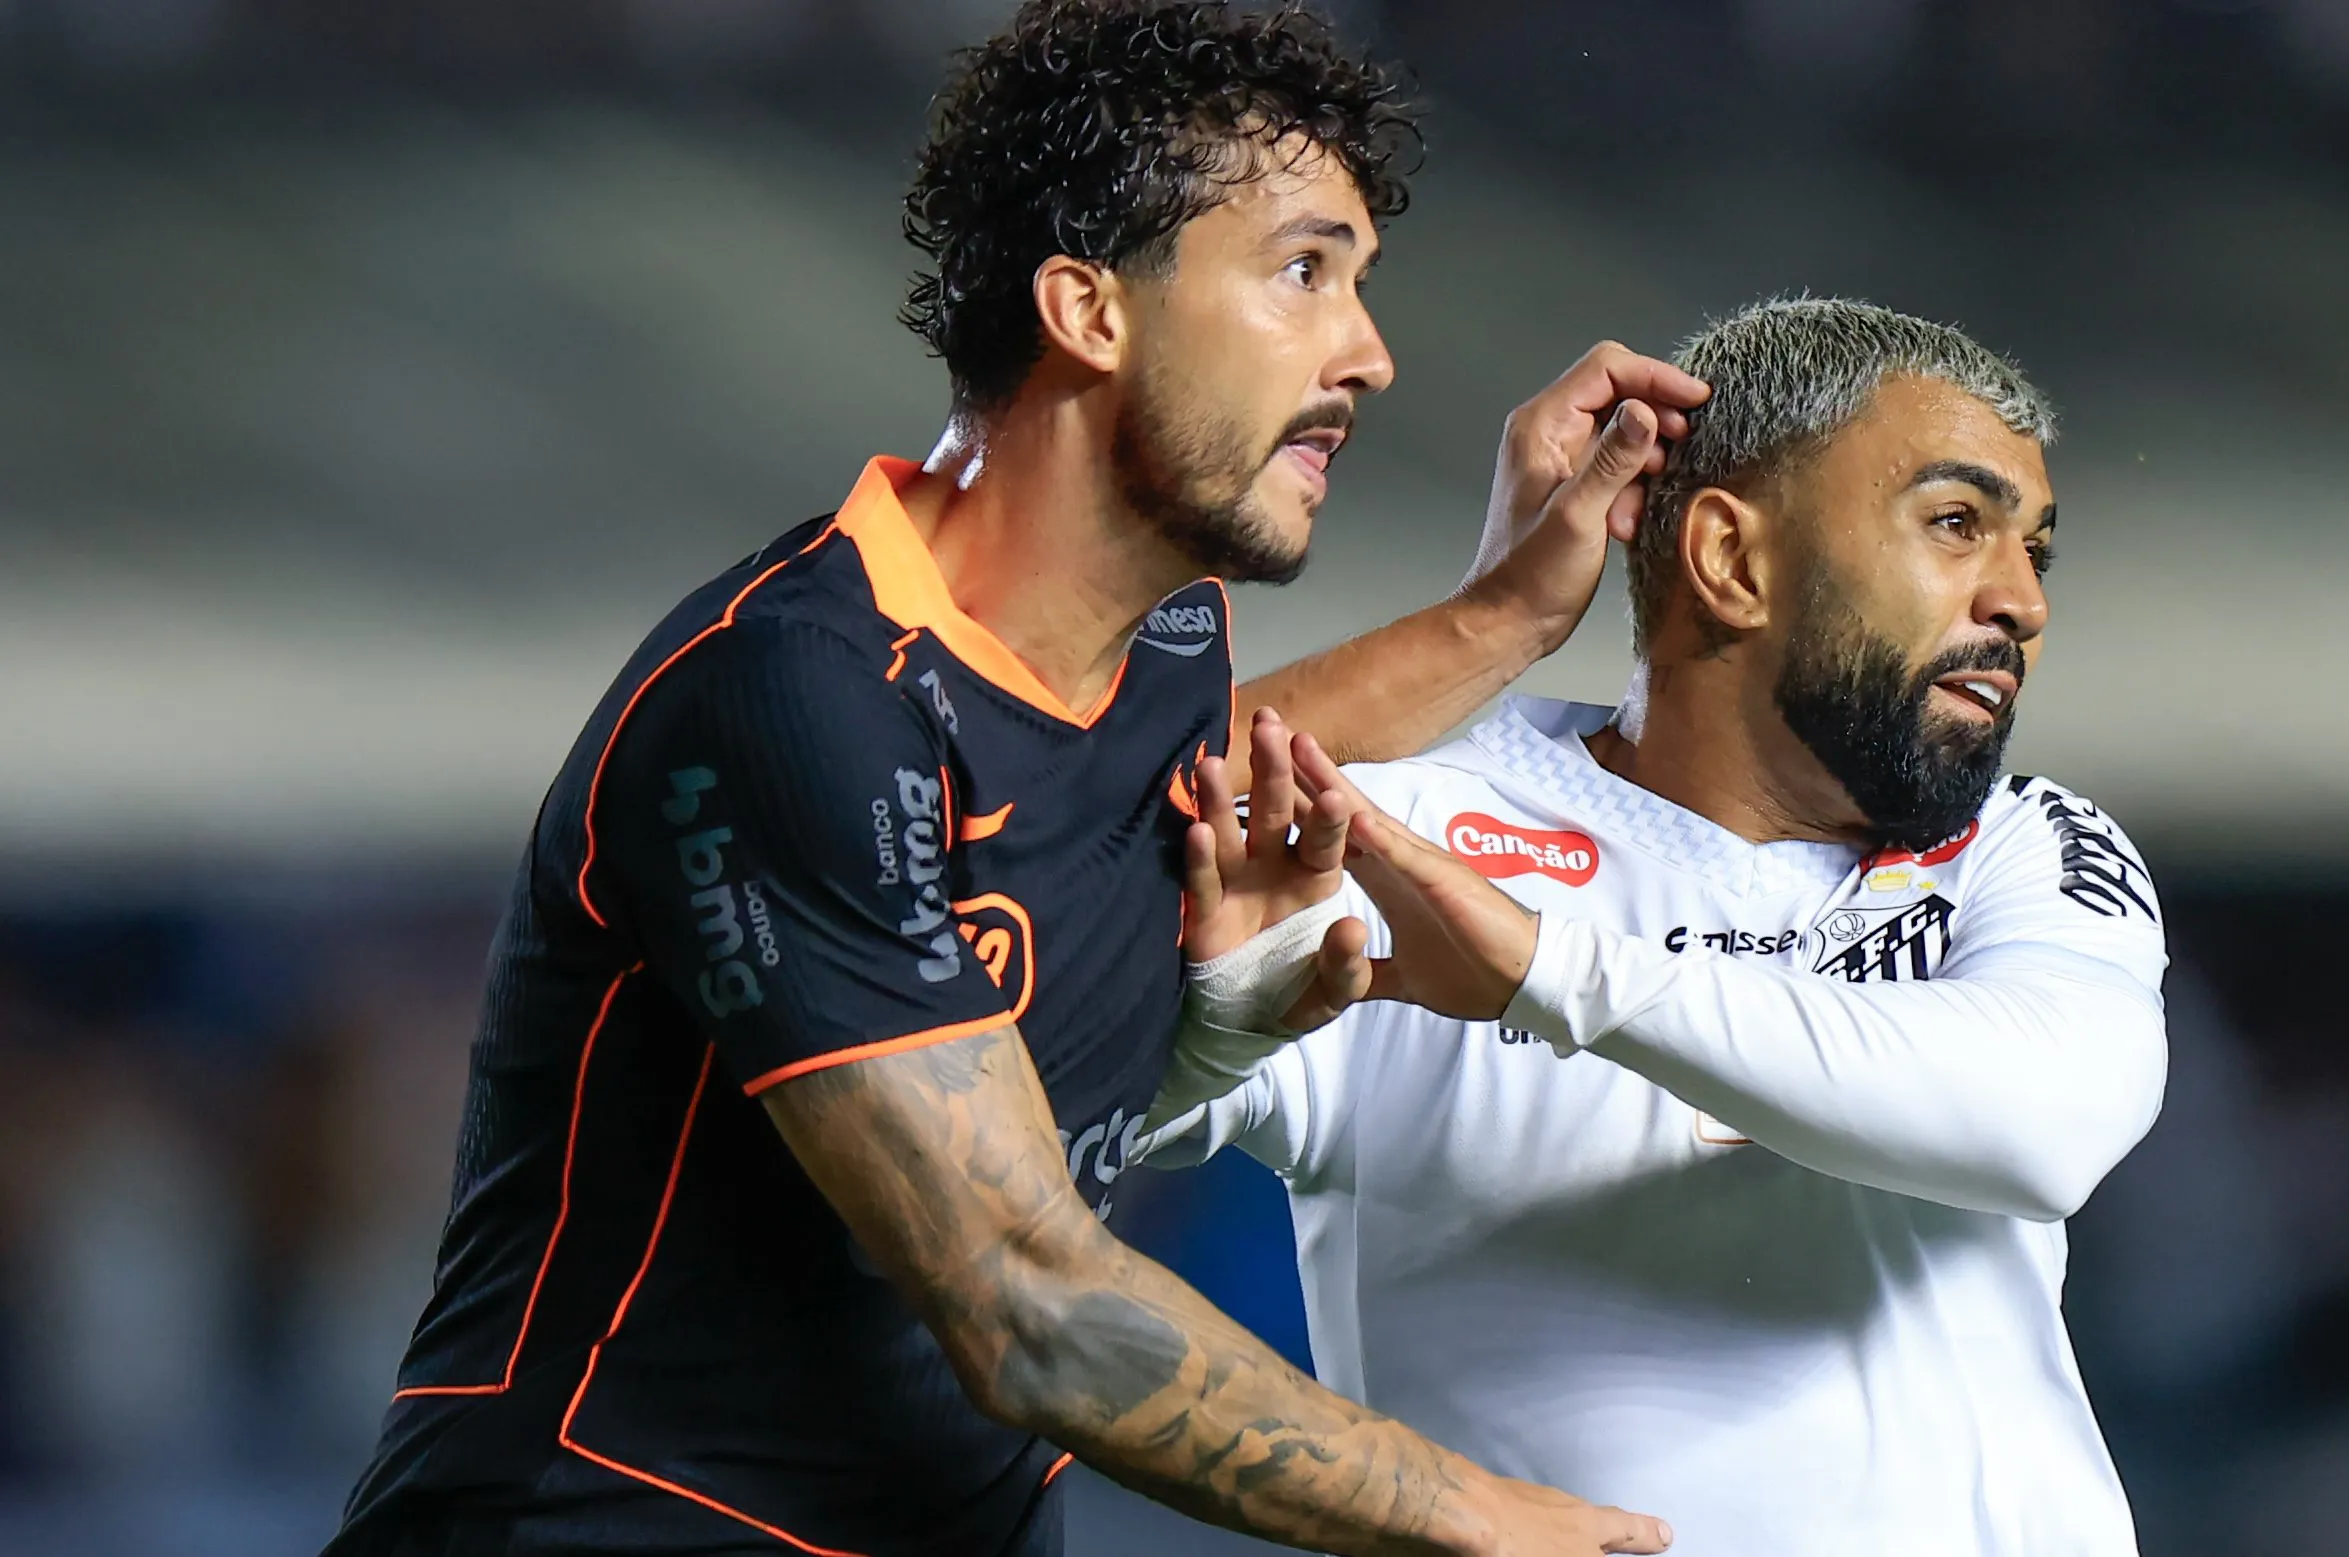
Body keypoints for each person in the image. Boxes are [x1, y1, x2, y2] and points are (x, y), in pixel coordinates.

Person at [324, 4, 1707, 1555]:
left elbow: (1209, 757)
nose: (1370, 356)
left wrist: (1508, 613)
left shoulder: (1160, 635)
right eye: (1303, 271)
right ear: (1087, 311)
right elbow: (1030, 1306)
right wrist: (1480, 1515)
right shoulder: (791, 704)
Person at [1148, 297, 2171, 1555]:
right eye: (1956, 525)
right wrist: (1199, 1039)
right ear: (1731, 562)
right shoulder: (1400, 834)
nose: (2020, 600)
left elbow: (2042, 1121)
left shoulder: (2020, 846)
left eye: (2035, 550)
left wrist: (1542, 967)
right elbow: (1030, 1043)